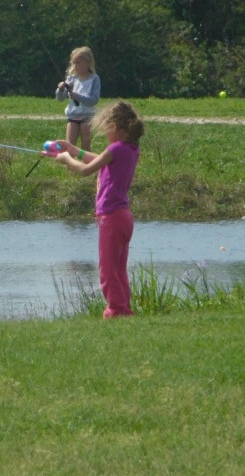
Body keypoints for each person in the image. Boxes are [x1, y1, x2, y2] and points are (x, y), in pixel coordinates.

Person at [53, 100, 144, 318]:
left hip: (111, 217)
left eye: (108, 129)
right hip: (123, 216)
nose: (106, 135)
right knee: (118, 267)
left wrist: (67, 159)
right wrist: (75, 150)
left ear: (118, 129)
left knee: (107, 268)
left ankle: (115, 309)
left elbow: (85, 171)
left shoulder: (115, 148)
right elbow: (101, 161)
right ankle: (123, 308)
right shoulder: (129, 149)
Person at [55, 46, 101, 152]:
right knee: (69, 144)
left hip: (87, 117)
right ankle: (70, 166)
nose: (75, 66)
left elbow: (94, 100)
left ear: (88, 62)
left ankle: (86, 166)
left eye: (78, 62)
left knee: (85, 143)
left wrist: (78, 96)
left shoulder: (94, 78)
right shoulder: (72, 79)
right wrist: (61, 89)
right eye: (74, 63)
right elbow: (60, 98)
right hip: (73, 116)